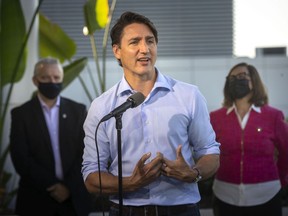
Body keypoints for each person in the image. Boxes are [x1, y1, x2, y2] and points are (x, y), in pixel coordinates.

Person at [82, 11, 220, 216]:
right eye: (135, 42)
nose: (144, 49)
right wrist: (130, 183)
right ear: (117, 51)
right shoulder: (102, 107)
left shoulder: (188, 95)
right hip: (125, 211)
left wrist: (193, 173)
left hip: (181, 210)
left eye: (150, 41)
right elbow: (91, 177)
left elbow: (210, 152)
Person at [10, 57, 93, 216]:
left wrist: (68, 187)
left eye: (56, 78)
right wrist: (54, 186)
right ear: (35, 80)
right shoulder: (21, 114)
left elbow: (85, 153)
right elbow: (21, 158)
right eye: (45, 78)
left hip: (74, 200)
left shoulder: (78, 111)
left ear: (62, 79)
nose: (52, 81)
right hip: (36, 199)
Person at [210, 62, 288, 216]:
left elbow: (286, 151)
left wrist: (279, 179)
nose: (236, 80)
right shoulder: (215, 117)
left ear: (254, 81)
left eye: (242, 76)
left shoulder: (273, 116)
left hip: (267, 195)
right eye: (231, 78)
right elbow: (208, 152)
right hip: (224, 195)